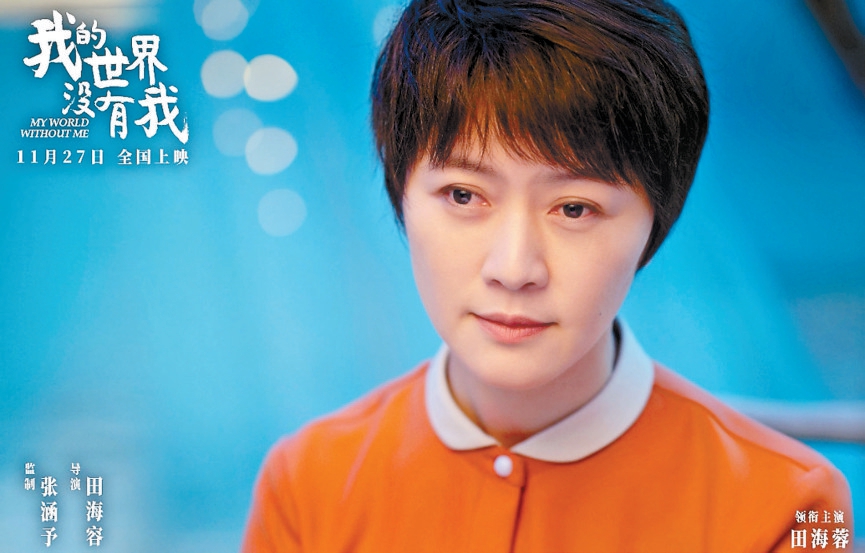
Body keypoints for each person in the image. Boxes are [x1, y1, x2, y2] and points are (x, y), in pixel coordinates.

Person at [242, 1, 853, 551]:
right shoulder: (307, 484)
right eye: (463, 195)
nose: (513, 269)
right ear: (400, 193)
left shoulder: (794, 507)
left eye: (575, 209)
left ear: (655, 224)